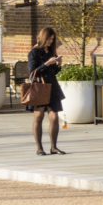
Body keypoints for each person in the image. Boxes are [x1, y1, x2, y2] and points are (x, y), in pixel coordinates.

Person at [26, 27, 65, 155]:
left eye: (53, 39)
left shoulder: (51, 51)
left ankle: (54, 147)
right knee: (39, 116)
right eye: (49, 39)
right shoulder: (34, 52)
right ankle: (39, 148)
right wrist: (47, 63)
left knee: (54, 117)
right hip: (39, 86)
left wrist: (58, 64)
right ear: (43, 38)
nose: (50, 41)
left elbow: (53, 72)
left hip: (52, 86)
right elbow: (32, 71)